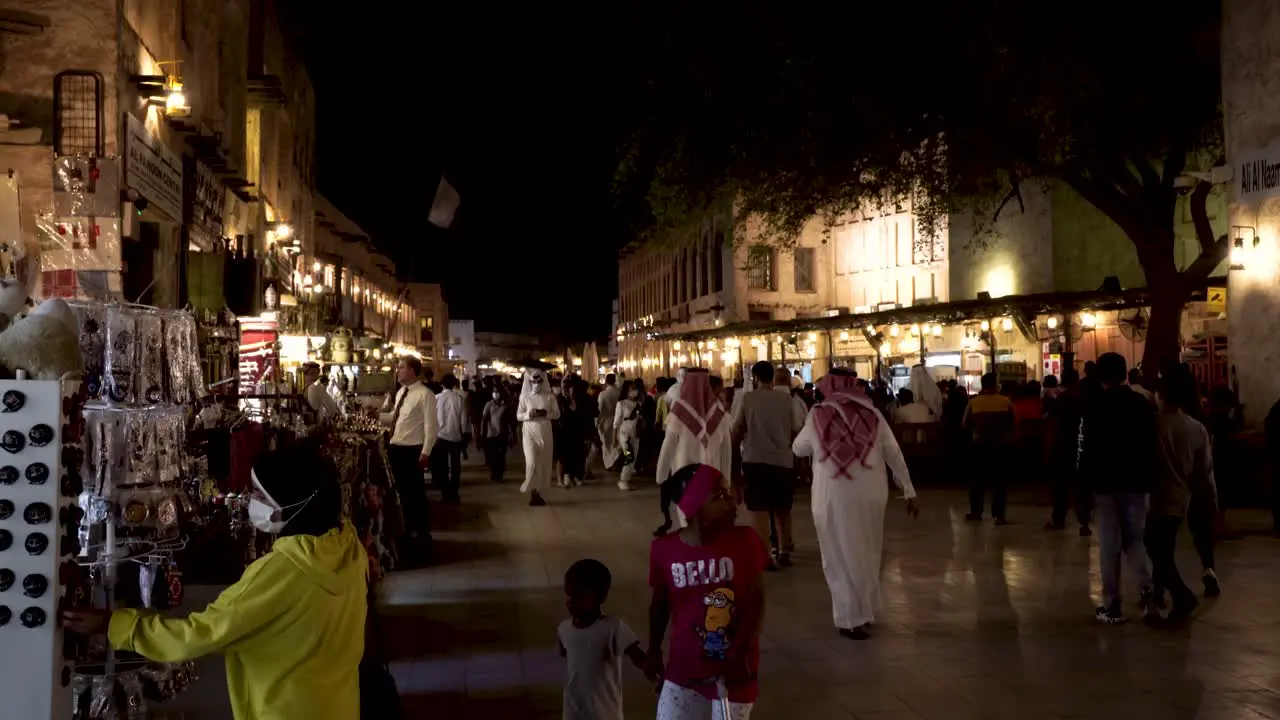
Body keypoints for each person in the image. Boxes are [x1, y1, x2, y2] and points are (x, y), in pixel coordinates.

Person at [63, 447, 367, 720]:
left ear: (293, 502)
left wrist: (117, 626)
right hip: (337, 705)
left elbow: (199, 634)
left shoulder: (282, 571)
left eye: (261, 496)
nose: (252, 502)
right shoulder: (347, 546)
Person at [793, 368, 919, 640]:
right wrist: (908, 490)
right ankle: (866, 611)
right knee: (868, 551)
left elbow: (798, 448)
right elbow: (894, 454)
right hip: (871, 494)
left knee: (837, 555)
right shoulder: (873, 414)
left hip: (831, 496)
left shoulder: (817, 414)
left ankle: (850, 618)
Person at [646, 464, 767, 720]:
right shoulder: (664, 550)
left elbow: (756, 601)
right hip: (684, 669)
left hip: (735, 671)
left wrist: (743, 652)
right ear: (695, 508)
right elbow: (659, 606)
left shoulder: (745, 540)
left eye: (728, 492)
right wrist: (654, 651)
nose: (732, 499)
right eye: (719, 496)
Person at [1080, 352, 1156, 625]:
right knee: (1135, 541)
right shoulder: (1142, 404)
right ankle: (1148, 594)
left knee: (1109, 545)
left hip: (1105, 485)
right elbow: (1151, 444)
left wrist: (1084, 485)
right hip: (1137, 483)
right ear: (1125, 374)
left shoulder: (1093, 405)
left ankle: (1112, 605)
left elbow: (1085, 448)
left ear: (1100, 376)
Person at [1147, 373, 1217, 624]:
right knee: (1162, 549)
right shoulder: (1196, 428)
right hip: (1182, 497)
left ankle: (1181, 596)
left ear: (1161, 395)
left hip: (1156, 497)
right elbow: (1204, 469)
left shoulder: (1153, 425)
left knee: (1158, 551)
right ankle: (1162, 598)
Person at [559, 559, 653, 720]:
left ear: (600, 597)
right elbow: (567, 655)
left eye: (578, 595)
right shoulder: (563, 629)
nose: (569, 600)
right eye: (568, 593)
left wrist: (648, 666)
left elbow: (635, 653)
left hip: (605, 713)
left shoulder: (613, 627)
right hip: (573, 712)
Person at [732, 361, 804, 570]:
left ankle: (764, 556)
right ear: (772, 377)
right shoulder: (786, 399)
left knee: (760, 510)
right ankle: (784, 551)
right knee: (783, 507)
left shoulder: (748, 399)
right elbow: (796, 428)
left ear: (754, 378)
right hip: (782, 459)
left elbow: (737, 429)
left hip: (755, 460)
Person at [654, 369, 733, 536]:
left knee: (688, 522)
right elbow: (727, 450)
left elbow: (668, 446)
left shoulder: (678, 414)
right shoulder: (720, 415)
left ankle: (693, 555)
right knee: (711, 523)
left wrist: (661, 477)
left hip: (685, 478)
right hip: (712, 476)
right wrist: (726, 480)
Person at [379, 356, 438, 555]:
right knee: (402, 494)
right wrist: (376, 416)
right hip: (396, 448)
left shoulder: (425, 394)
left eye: (401, 367)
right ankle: (406, 531)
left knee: (415, 495)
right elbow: (396, 418)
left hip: (412, 450)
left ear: (412, 371)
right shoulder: (402, 392)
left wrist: (425, 452)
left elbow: (432, 426)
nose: (397, 370)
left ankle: (421, 535)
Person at [962, 372, 1015, 524]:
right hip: (1000, 447)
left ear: (982, 385)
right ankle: (999, 515)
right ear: (995, 384)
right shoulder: (1006, 402)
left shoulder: (974, 402)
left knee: (977, 480)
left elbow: (965, 425)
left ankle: (976, 512)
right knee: (999, 482)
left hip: (979, 447)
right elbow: (1012, 424)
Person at [1045, 368, 1091, 535]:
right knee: (1081, 486)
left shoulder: (1061, 400)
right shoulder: (1083, 399)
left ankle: (1058, 519)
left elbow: (1053, 424)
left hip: (1062, 446)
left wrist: (1050, 447)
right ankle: (1084, 522)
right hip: (1080, 445)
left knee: (1060, 486)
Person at [517, 367, 560, 506]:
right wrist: (529, 415)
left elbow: (557, 414)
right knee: (532, 462)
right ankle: (530, 489)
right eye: (534, 382)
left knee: (543, 464)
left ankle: (537, 492)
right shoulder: (524, 397)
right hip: (529, 433)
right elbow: (518, 415)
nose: (537, 384)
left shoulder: (550, 397)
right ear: (530, 382)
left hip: (545, 433)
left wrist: (545, 414)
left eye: (539, 381)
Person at [433, 373, 466, 504]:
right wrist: (464, 435)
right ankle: (454, 492)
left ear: (442, 384)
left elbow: (432, 419)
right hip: (455, 437)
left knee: (442, 467)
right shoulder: (459, 399)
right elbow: (463, 421)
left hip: (440, 437)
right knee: (455, 467)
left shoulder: (436, 398)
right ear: (454, 384)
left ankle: (445, 494)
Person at [615, 380, 644, 491]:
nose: (634, 391)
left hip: (635, 433)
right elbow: (616, 421)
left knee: (633, 456)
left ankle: (626, 478)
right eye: (632, 389)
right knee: (629, 455)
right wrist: (615, 437)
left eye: (635, 389)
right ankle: (623, 480)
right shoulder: (621, 403)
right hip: (624, 433)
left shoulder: (639, 404)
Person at [481, 386, 513, 483]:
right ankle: (493, 473)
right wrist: (482, 433)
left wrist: (512, 434)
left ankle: (499, 475)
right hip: (491, 435)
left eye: (498, 392)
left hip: (502, 434)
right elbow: (484, 420)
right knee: (492, 456)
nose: (496, 394)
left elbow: (510, 421)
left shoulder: (506, 406)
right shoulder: (488, 405)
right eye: (494, 392)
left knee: (501, 455)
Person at [597, 374, 622, 470]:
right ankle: (616, 462)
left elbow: (599, 409)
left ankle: (609, 464)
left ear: (606, 381)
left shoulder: (603, 394)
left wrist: (597, 422)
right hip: (618, 420)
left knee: (607, 444)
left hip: (606, 421)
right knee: (616, 442)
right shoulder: (619, 392)